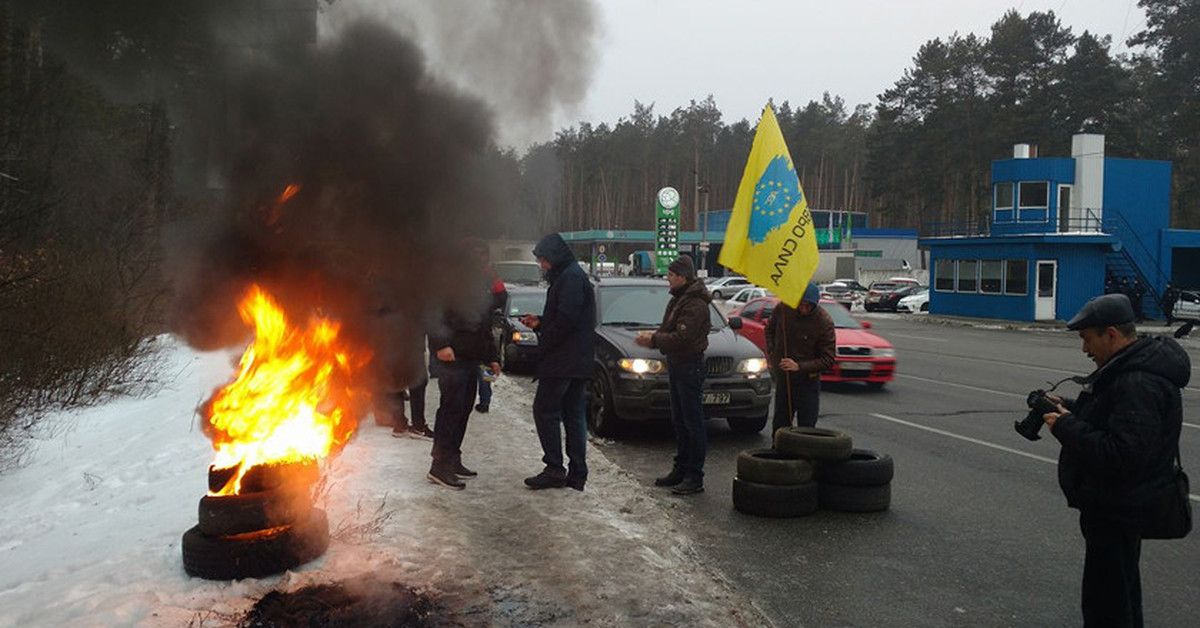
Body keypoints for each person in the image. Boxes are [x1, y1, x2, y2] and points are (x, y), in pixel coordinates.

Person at [1042, 293, 1190, 627]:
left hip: (1118, 508)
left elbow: (1121, 454)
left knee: (1108, 605)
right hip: (1116, 507)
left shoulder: (1137, 381)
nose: (1084, 349)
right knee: (1116, 595)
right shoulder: (1129, 370)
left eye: (1087, 339)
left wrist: (1065, 426)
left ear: (1111, 334)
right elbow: (1112, 419)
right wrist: (1070, 408)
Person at [519, 233, 596, 491]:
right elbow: (566, 316)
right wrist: (541, 321)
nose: (542, 266)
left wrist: (545, 341)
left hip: (564, 360)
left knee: (545, 410)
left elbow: (567, 320)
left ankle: (554, 468)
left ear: (554, 257)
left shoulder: (570, 277)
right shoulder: (570, 275)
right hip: (575, 360)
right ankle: (576, 474)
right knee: (573, 415)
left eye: (543, 260)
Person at [425, 238, 501, 490]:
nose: (480, 261)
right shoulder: (447, 281)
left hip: (471, 358)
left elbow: (484, 325)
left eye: (483, 256)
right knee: (451, 410)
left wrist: (492, 356)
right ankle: (439, 466)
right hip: (452, 357)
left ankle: (453, 459)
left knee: (464, 409)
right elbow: (431, 313)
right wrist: (439, 345)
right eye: (475, 256)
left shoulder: (480, 284)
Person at [635, 254, 711, 495]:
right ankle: (681, 468)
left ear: (682, 277)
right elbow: (671, 329)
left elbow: (683, 337)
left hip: (689, 365)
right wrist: (655, 335)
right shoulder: (680, 298)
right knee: (680, 420)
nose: (667, 279)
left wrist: (654, 340)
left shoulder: (695, 303)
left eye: (670, 275)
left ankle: (694, 475)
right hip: (678, 364)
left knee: (692, 422)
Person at [765, 283, 836, 432]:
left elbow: (828, 359)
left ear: (814, 305)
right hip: (784, 378)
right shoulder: (783, 310)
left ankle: (804, 453)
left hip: (808, 381)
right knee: (780, 423)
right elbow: (769, 330)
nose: (804, 309)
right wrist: (773, 352)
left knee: (807, 426)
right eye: (801, 305)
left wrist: (799, 366)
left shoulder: (823, 322)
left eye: (808, 306)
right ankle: (778, 450)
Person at [475, 250, 508, 414]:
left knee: (480, 365)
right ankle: (485, 400)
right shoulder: (491, 274)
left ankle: (483, 400)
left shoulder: (463, 273)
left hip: (475, 325)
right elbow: (502, 297)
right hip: (483, 325)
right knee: (484, 365)